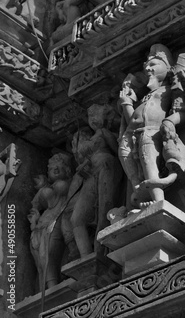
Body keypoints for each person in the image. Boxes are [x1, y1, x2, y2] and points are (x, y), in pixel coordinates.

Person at [118, 44, 185, 207]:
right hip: (130, 136)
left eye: (153, 64)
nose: (148, 68)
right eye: (146, 65)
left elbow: (183, 112)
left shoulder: (169, 89)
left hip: (151, 133)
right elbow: (133, 119)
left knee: (149, 164)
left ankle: (158, 201)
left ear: (168, 69)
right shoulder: (145, 97)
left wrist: (170, 121)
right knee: (133, 172)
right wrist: (127, 101)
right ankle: (143, 197)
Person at [70, 104, 123, 257]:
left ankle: (101, 251)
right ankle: (86, 257)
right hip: (91, 174)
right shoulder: (90, 137)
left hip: (107, 166)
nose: (92, 119)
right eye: (89, 117)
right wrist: (83, 166)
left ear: (105, 116)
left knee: (105, 209)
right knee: (76, 219)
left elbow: (118, 151)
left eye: (95, 115)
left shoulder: (103, 132)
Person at [28, 154, 76, 290]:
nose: (55, 169)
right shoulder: (47, 188)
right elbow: (34, 205)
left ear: (67, 169)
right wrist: (35, 219)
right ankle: (49, 289)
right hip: (41, 224)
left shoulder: (69, 183)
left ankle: (53, 287)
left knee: (50, 255)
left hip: (58, 220)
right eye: (51, 168)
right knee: (42, 260)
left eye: (59, 166)